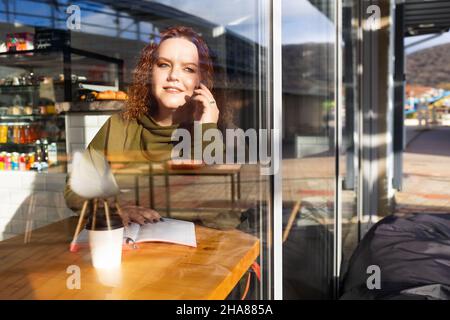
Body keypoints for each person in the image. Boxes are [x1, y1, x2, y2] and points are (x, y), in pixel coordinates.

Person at [64, 26, 241, 229]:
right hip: (131, 251)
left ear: (202, 80)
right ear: (150, 72)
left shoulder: (224, 133)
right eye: (164, 65)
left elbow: (222, 219)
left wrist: (207, 131)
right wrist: (116, 207)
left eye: (188, 69)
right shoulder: (121, 125)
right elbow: (75, 188)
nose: (173, 75)